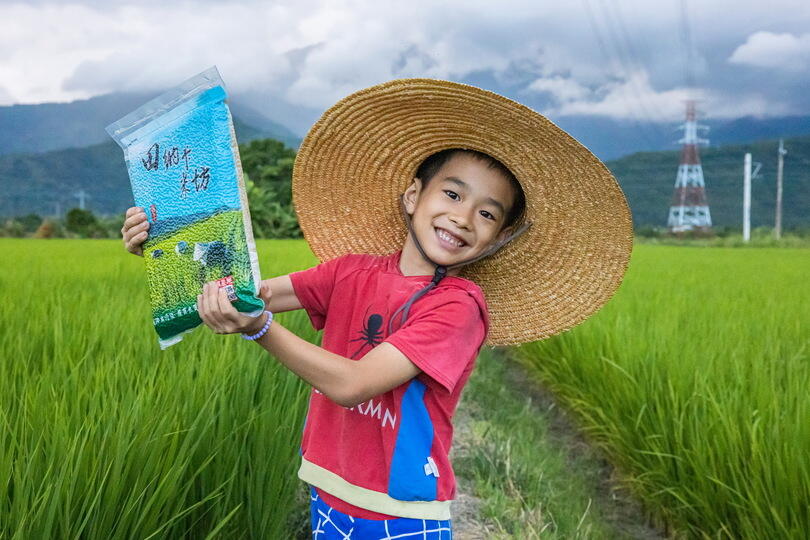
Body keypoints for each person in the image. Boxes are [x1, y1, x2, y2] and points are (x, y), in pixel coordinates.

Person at [121, 79, 633, 538]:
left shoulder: (459, 307)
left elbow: (353, 384)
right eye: (452, 194)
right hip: (326, 489)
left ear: (496, 238)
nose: (463, 218)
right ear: (413, 196)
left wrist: (261, 329)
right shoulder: (350, 272)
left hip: (399, 515)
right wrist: (168, 247)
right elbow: (246, 294)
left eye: (486, 214)